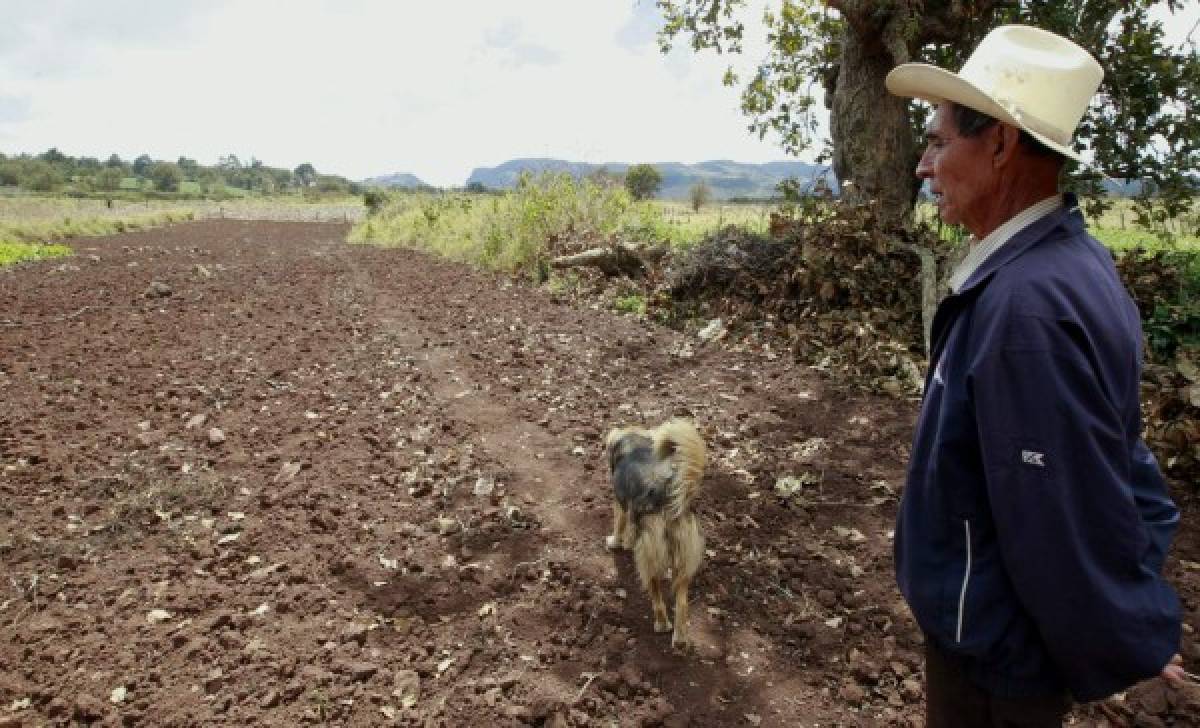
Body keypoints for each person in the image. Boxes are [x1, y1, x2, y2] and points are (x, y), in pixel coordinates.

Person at [884, 24, 1186, 726]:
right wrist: (1133, 590)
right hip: (997, 641)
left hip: (995, 662)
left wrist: (1129, 628)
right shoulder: (1070, 267)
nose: (923, 166)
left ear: (1000, 143)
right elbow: (1122, 456)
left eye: (937, 141)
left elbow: (1055, 515)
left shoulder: (1026, 312)